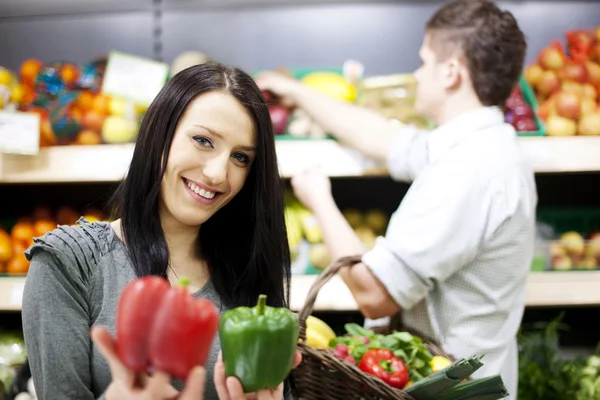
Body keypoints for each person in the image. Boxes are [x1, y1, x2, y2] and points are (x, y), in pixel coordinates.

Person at [256, 0, 536, 398]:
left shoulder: (469, 170)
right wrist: (297, 92)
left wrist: (320, 200)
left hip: (454, 389)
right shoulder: (485, 146)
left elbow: (375, 295)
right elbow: (383, 138)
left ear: (452, 72)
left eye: (424, 62)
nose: (417, 75)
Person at [21, 63, 300, 400]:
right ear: (160, 134)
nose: (217, 173)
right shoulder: (70, 262)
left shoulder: (248, 269)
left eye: (241, 157)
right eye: (203, 140)